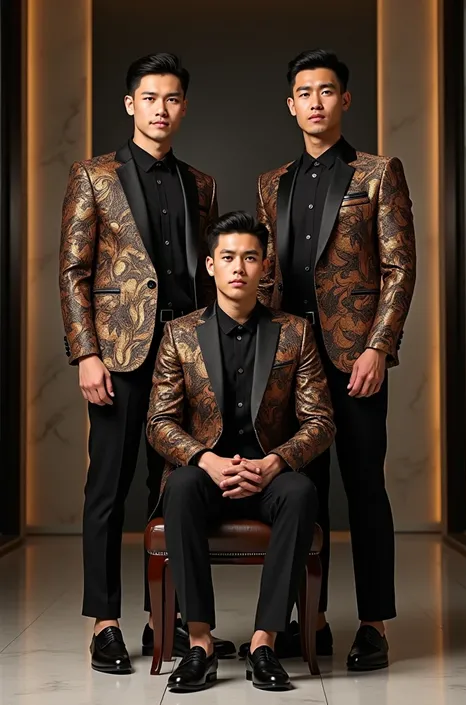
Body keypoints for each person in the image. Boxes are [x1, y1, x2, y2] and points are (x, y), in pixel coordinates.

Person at [59, 52, 235, 674]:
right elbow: (74, 271)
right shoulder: (94, 176)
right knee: (107, 488)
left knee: (175, 490)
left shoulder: (202, 184)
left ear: (184, 107)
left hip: (186, 359)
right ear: (131, 104)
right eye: (151, 98)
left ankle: (179, 619)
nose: (162, 110)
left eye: (174, 100)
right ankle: (105, 622)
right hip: (118, 355)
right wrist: (85, 352)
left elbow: (210, 275)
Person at [246, 49, 416, 671]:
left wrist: (378, 345)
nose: (315, 101)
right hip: (291, 365)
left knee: (365, 488)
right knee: (301, 491)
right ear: (290, 105)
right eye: (303, 92)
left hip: (355, 361)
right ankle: (307, 620)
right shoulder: (272, 184)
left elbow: (400, 267)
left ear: (345, 100)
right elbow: (266, 281)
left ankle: (372, 624)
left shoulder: (377, 172)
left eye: (326, 90)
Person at [146, 211, 335, 692]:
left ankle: (263, 641)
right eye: (228, 257)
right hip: (208, 475)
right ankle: (201, 643)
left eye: (250, 257)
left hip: (269, 475)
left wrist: (274, 463)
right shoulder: (179, 334)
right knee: (182, 485)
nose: (239, 267)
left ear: (264, 266)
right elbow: (158, 422)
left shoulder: (294, 332)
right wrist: (205, 459)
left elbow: (320, 421)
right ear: (210, 265)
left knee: (301, 492)